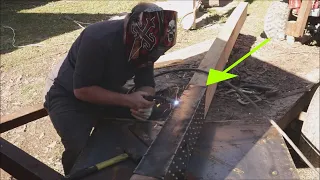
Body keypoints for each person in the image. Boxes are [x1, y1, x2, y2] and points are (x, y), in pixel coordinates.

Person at [43, 3, 177, 175]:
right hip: (67, 94)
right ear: (132, 34)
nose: (153, 57)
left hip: (105, 88)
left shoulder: (147, 46)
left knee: (144, 123)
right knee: (80, 148)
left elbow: (146, 82)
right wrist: (129, 100)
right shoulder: (97, 38)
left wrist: (144, 102)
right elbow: (82, 90)